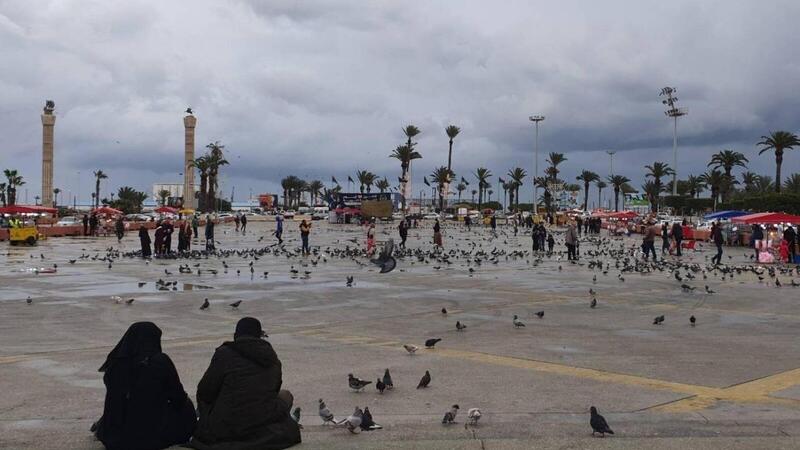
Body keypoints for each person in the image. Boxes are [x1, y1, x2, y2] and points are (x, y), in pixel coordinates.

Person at [192, 318, 301, 450]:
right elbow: (273, 392)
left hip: (227, 425)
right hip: (262, 423)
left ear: (236, 335)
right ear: (259, 335)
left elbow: (205, 391)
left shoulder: (224, 354)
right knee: (286, 396)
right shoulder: (272, 359)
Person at [93, 322, 196, 450]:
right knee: (186, 406)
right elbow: (178, 397)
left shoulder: (116, 364)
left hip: (114, 437)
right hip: (148, 438)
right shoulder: (160, 362)